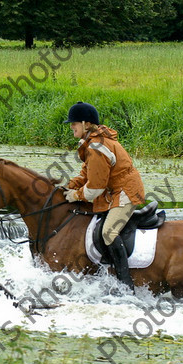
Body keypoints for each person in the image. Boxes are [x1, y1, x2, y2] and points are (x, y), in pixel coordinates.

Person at [63, 102, 145, 292]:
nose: (71, 126)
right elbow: (87, 174)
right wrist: (68, 186)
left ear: (85, 123)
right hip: (114, 192)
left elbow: (95, 189)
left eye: (74, 123)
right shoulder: (92, 142)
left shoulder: (97, 147)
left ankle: (126, 284)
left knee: (108, 232)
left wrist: (75, 195)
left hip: (126, 192)